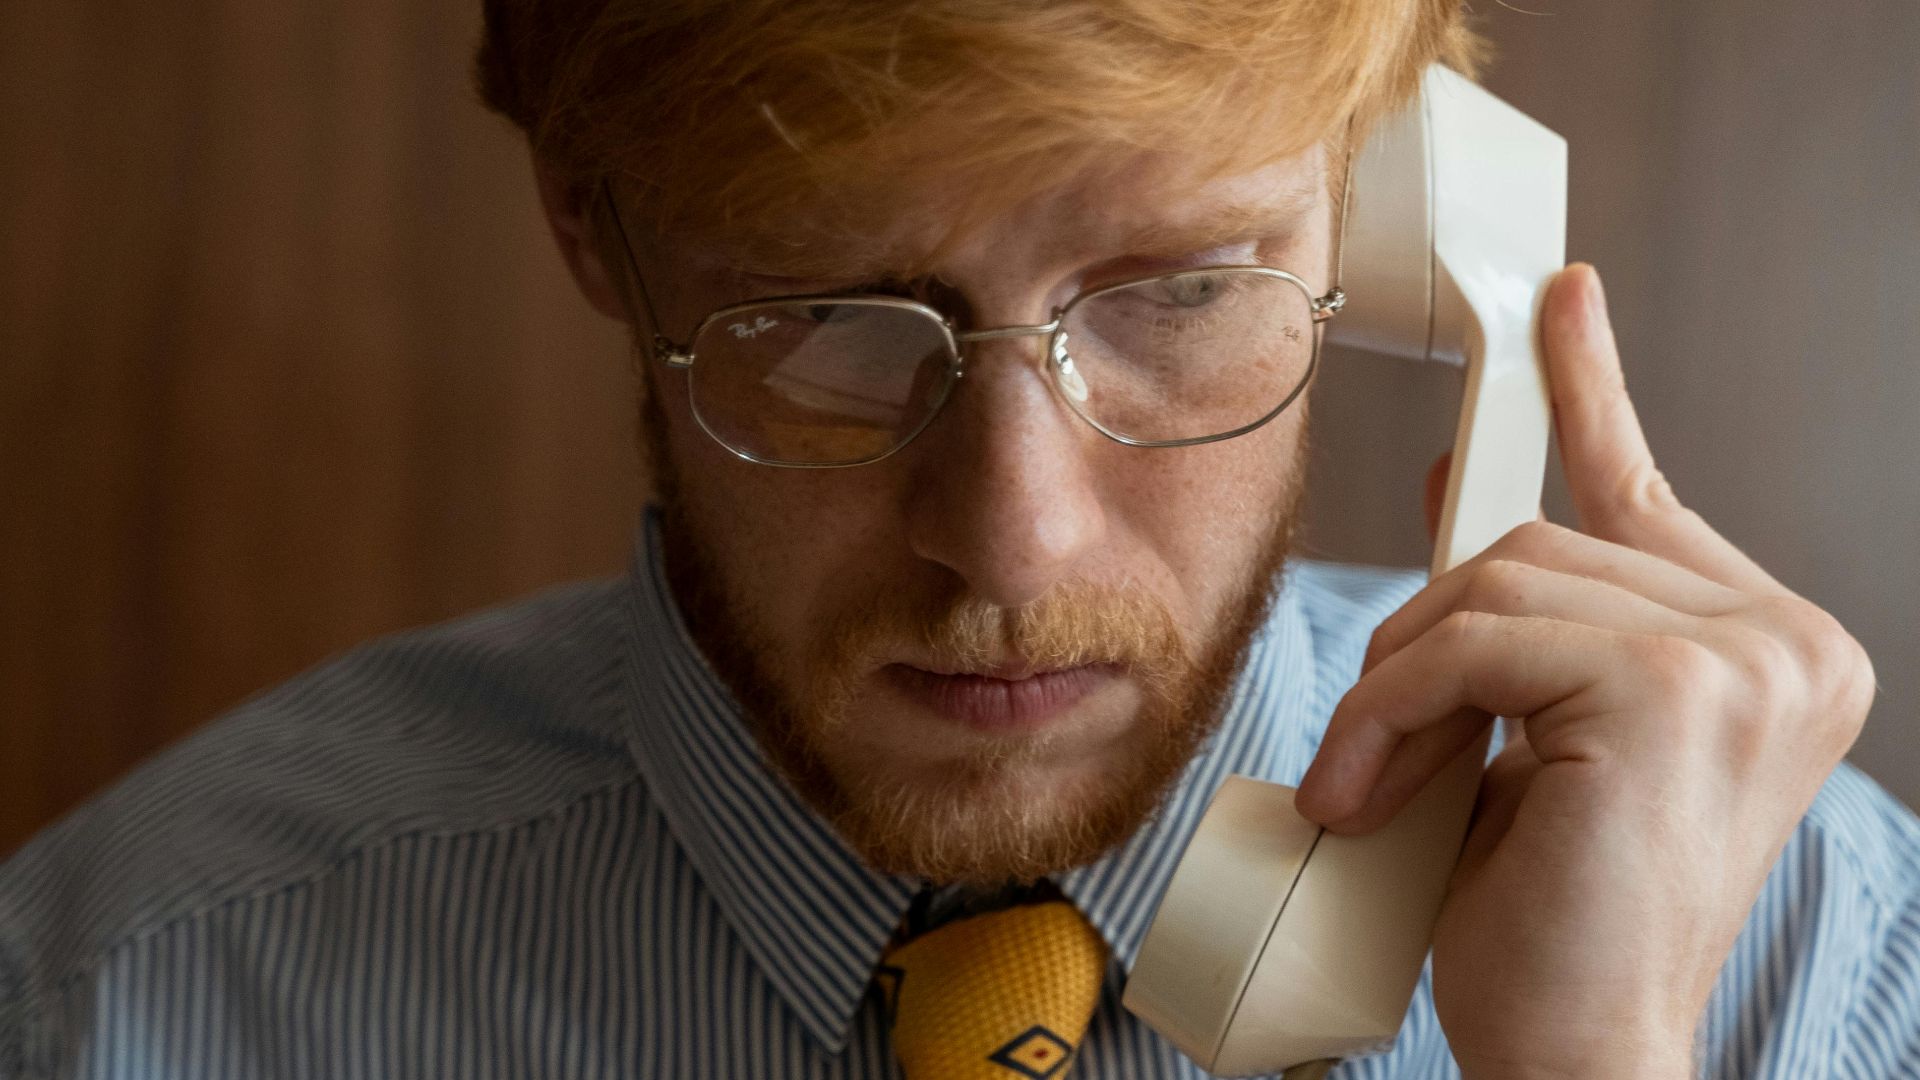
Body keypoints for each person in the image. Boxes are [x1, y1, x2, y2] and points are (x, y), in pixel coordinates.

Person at [3, 1, 1916, 1076]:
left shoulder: (1828, 966)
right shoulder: (125, 997)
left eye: (1177, 294)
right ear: (598, 229)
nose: (1013, 542)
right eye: (827, 320)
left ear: (1392, 216)